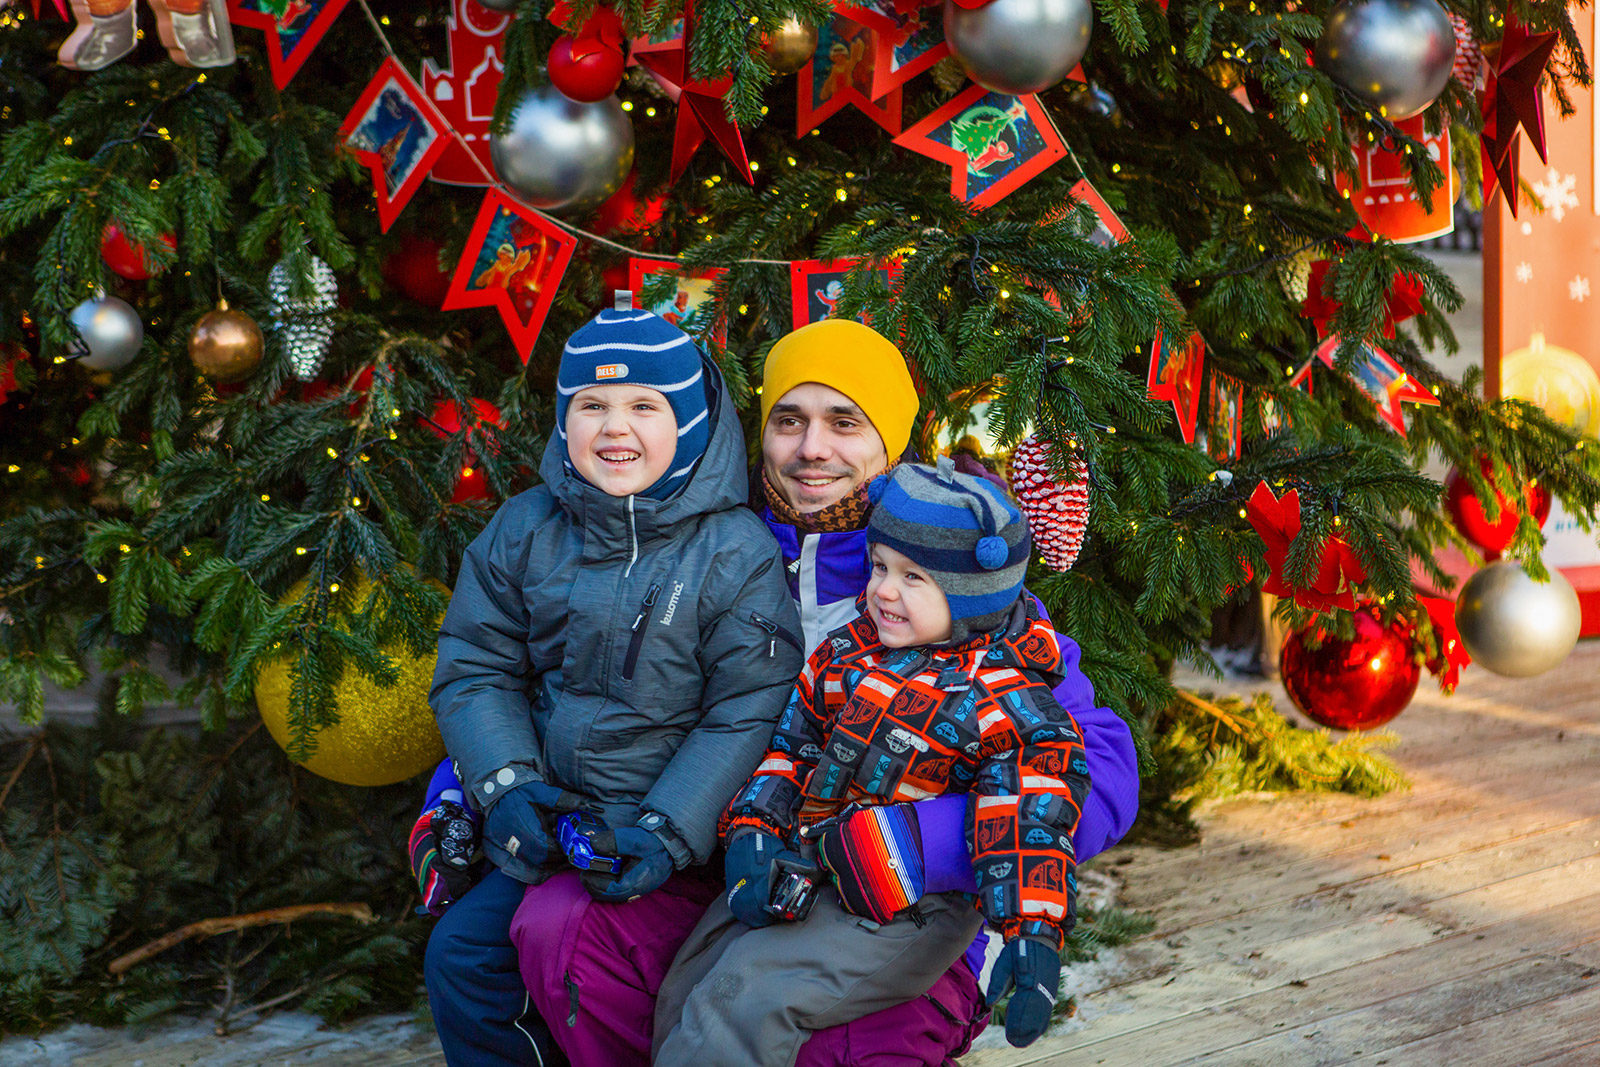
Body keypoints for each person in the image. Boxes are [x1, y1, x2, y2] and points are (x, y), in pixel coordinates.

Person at [416, 316, 1139, 1064]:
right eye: (789, 420)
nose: (812, 447)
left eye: (844, 422)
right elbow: (550, 679)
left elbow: (1093, 760)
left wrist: (921, 844)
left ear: (890, 437)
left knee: (821, 1043)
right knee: (568, 938)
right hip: (734, 866)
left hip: (903, 905)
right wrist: (469, 789)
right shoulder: (704, 535)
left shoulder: (940, 572)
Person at [420, 299, 804, 1066]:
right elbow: (476, 665)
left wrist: (667, 830)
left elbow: (747, 711)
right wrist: (508, 784)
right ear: (566, 423)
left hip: (667, 838)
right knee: (462, 954)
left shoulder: (734, 552)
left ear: (689, 424)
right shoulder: (527, 529)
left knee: (567, 949)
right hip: (553, 821)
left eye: (642, 406)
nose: (614, 427)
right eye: (591, 405)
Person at [654, 459, 1089, 1064]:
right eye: (880, 565)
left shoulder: (1001, 697)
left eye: (915, 578)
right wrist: (755, 831)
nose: (883, 589)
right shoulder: (845, 653)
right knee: (688, 981)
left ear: (969, 596)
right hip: (811, 867)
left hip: (912, 910)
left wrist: (1032, 936)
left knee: (741, 1001)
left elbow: (1027, 819)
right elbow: (794, 751)